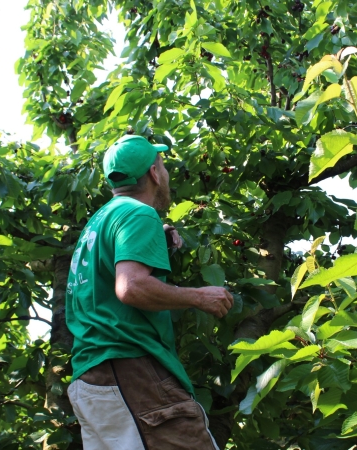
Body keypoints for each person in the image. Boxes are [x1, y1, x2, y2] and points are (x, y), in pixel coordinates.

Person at [65, 135, 234, 450]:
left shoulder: (98, 222)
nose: (167, 174)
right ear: (155, 173)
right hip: (131, 371)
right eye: (164, 166)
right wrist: (200, 297)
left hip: (92, 377)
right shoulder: (139, 214)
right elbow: (131, 287)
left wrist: (158, 242)